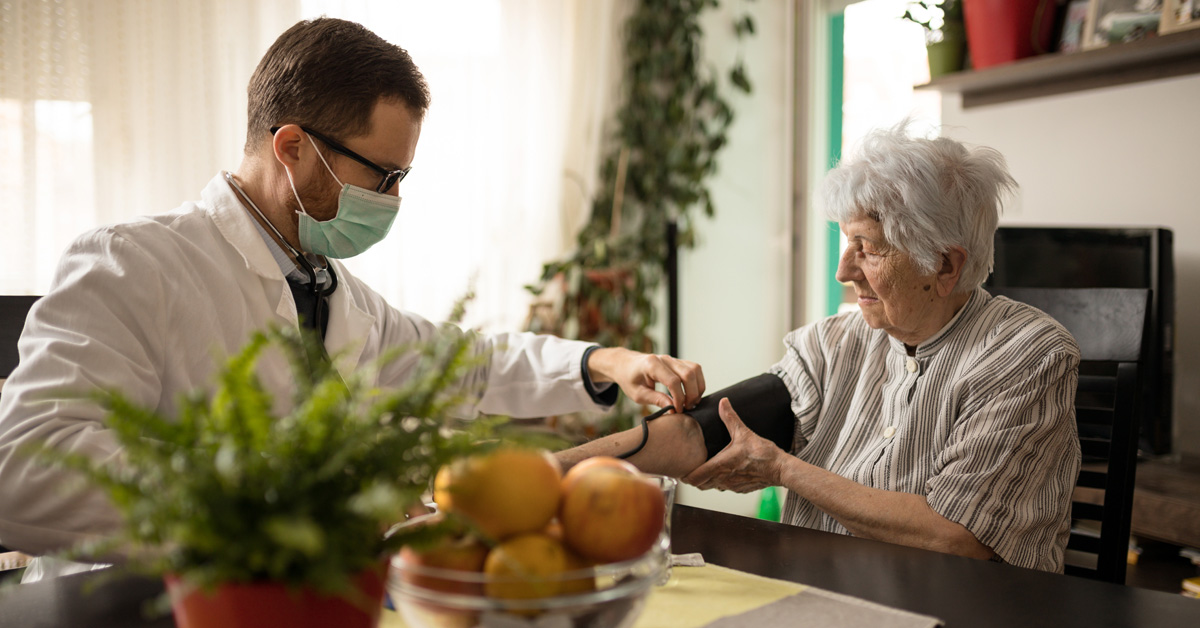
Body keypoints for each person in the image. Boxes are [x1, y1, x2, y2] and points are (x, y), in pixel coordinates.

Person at [0, 18, 704, 578]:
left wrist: (602, 361)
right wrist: (279, 498)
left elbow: (465, 361)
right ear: (293, 147)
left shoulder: (332, 292)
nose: (393, 200)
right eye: (384, 175)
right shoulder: (134, 265)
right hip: (139, 600)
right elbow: (24, 466)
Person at [562, 122, 1082, 573]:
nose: (843, 271)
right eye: (844, 242)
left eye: (869, 249)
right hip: (825, 592)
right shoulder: (833, 343)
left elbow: (957, 536)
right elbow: (699, 434)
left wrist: (784, 470)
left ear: (945, 266)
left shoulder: (1027, 355)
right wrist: (554, 472)